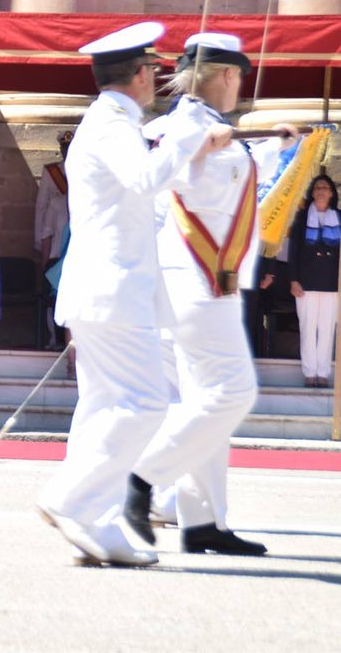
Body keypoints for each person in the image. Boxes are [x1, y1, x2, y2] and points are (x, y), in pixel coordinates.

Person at [37, 21, 230, 567]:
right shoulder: (112, 124)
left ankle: (96, 522)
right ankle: (72, 500)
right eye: (154, 70)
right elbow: (146, 178)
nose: (158, 78)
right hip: (114, 289)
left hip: (107, 289)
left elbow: (146, 177)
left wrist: (188, 143)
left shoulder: (111, 123)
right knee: (147, 403)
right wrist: (189, 135)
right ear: (141, 75)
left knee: (104, 407)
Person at [124, 32, 294, 557]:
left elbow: (231, 175)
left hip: (203, 281)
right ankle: (141, 479)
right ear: (226, 75)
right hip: (197, 279)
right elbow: (208, 176)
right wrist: (251, 148)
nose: (240, 86)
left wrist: (274, 146)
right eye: (238, 76)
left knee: (207, 404)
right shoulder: (188, 129)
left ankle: (203, 522)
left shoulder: (206, 131)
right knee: (233, 392)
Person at [287, 174, 341, 388]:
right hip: (305, 282)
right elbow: (293, 252)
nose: (321, 190)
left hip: (332, 283)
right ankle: (309, 373)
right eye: (317, 187)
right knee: (308, 327)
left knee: (327, 329)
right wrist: (293, 280)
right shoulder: (301, 218)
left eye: (325, 187)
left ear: (331, 193)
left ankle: (323, 373)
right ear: (312, 192)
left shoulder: (339, 216)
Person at [35, 130, 71, 349]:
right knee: (54, 299)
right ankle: (54, 339)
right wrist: (39, 246)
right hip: (57, 251)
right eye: (64, 148)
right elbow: (41, 206)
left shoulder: (86, 170)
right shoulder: (52, 172)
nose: (66, 151)